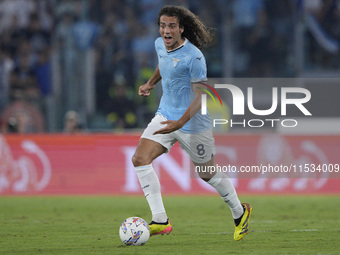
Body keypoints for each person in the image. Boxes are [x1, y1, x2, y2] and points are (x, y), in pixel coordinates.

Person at [132, 5, 252, 241]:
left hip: (193, 123)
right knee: (139, 159)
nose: (166, 30)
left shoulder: (194, 57)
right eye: (163, 25)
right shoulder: (159, 44)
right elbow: (163, 65)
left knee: (207, 173)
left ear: (181, 29)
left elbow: (201, 97)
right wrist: (150, 84)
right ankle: (160, 220)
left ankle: (240, 212)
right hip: (165, 115)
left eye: (172, 26)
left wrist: (179, 123)